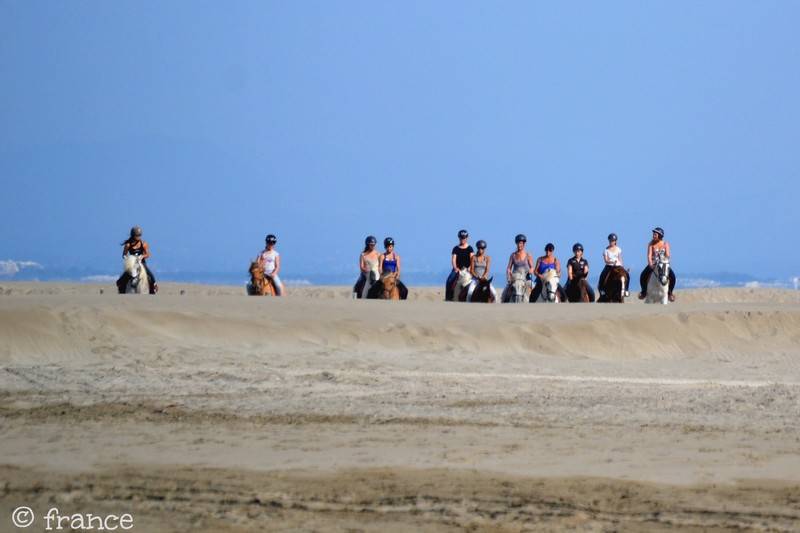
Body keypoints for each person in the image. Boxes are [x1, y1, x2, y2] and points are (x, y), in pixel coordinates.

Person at [638, 227, 676, 302]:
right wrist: (650, 264)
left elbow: (668, 255)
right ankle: (644, 291)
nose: (653, 236)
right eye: (653, 234)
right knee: (643, 275)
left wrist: (664, 260)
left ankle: (670, 292)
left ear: (660, 235)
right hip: (654, 263)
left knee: (673, 277)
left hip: (663, 263)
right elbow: (649, 255)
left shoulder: (665, 244)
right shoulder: (651, 244)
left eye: (655, 234)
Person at [117, 226, 157, 294]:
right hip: (132, 263)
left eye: (140, 235)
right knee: (124, 276)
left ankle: (153, 287)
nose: (139, 237)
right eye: (137, 235)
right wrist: (127, 258)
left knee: (150, 274)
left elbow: (147, 254)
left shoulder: (143, 243)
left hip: (142, 263)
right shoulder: (128, 245)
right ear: (133, 235)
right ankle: (121, 287)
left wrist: (142, 256)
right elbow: (124, 255)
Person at [502, 234, 534, 302]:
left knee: (534, 289)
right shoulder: (513, 255)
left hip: (526, 278)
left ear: (524, 244)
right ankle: (503, 303)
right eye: (518, 243)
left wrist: (531, 270)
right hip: (515, 278)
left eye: (521, 243)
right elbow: (509, 268)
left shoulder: (528, 255)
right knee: (505, 291)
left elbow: (532, 267)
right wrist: (508, 277)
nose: (519, 245)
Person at [445, 229, 474, 301]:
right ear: (459, 238)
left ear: (467, 238)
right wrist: (455, 267)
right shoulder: (455, 248)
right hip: (458, 269)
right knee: (449, 280)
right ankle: (448, 298)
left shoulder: (470, 248)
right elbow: (453, 259)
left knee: (476, 281)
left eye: (464, 238)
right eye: (461, 238)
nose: (462, 239)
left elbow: (472, 259)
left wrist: (470, 267)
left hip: (467, 269)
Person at [597, 233, 628, 298]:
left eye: (613, 241)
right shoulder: (606, 250)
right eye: (610, 241)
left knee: (627, 275)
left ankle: (626, 290)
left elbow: (620, 258)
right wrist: (611, 262)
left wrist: (621, 266)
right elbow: (606, 260)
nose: (612, 242)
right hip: (609, 265)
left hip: (618, 266)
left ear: (615, 241)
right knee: (603, 275)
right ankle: (602, 289)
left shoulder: (618, 249)